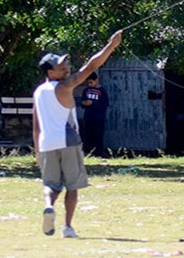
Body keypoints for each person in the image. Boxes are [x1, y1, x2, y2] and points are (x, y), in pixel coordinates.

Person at [32, 30, 122, 238]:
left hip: (46, 144)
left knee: (50, 185)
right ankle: (68, 227)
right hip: (68, 141)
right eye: (59, 66)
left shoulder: (38, 92)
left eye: (65, 64)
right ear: (50, 72)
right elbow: (91, 66)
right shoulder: (64, 86)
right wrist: (111, 46)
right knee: (73, 186)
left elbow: (36, 125)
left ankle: (48, 206)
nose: (65, 68)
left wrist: (37, 150)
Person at [80, 72, 109, 156]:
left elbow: (105, 103)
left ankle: (98, 153)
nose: (89, 84)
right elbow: (82, 101)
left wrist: (93, 103)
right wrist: (84, 103)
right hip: (88, 116)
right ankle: (88, 152)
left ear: (96, 80)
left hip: (98, 117)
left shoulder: (102, 91)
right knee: (88, 135)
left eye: (91, 82)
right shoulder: (86, 90)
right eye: (88, 83)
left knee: (98, 135)